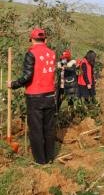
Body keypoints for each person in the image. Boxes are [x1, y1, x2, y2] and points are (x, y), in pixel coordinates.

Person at [9, 28, 56, 164]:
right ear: (45, 40)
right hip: (50, 95)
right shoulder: (52, 54)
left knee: (36, 130)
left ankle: (40, 161)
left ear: (32, 39)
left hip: (35, 97)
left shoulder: (31, 53)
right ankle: (50, 157)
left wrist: (13, 84)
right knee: (49, 128)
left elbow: (27, 76)